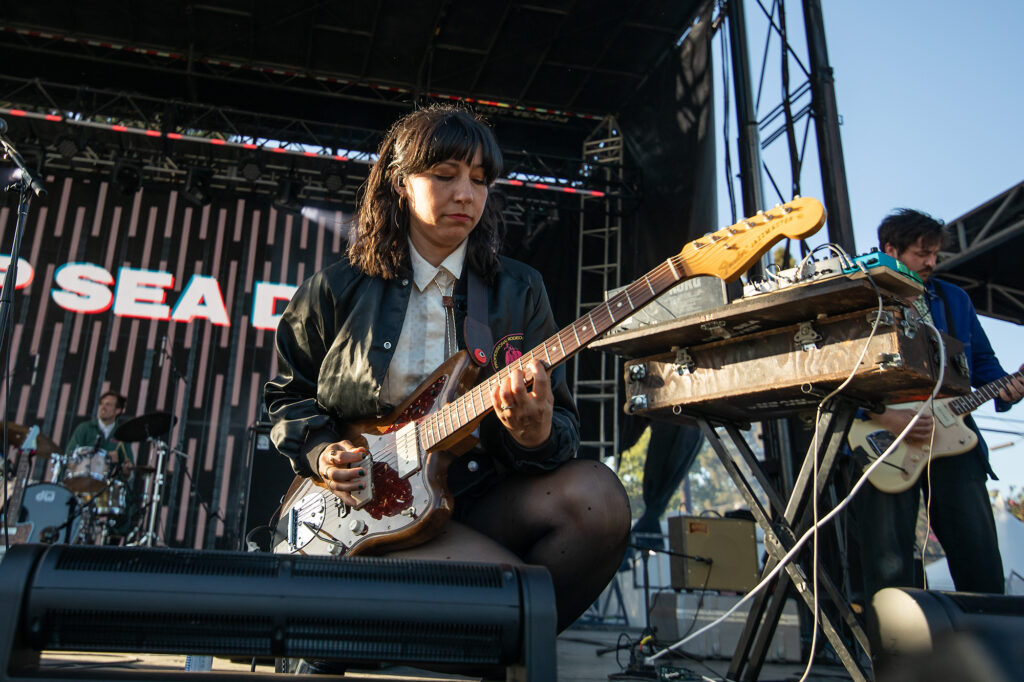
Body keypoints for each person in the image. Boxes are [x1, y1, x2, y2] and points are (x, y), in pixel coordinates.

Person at [265, 105, 631, 635]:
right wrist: (322, 453)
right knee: (511, 601)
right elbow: (288, 396)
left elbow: (563, 433)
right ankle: (362, 619)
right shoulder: (336, 287)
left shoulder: (519, 290)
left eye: (480, 180)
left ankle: (480, 648)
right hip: (365, 504)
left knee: (599, 500)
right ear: (399, 182)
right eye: (445, 175)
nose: (467, 193)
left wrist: (534, 434)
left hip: (476, 496)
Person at [851, 208, 1024, 601]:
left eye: (934, 255)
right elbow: (838, 375)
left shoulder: (954, 299)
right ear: (890, 249)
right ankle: (895, 657)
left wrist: (1009, 389)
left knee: (979, 558)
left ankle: (988, 649)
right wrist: (885, 416)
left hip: (957, 441)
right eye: (920, 253)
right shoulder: (862, 297)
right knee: (887, 564)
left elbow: (983, 365)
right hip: (887, 437)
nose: (930, 262)